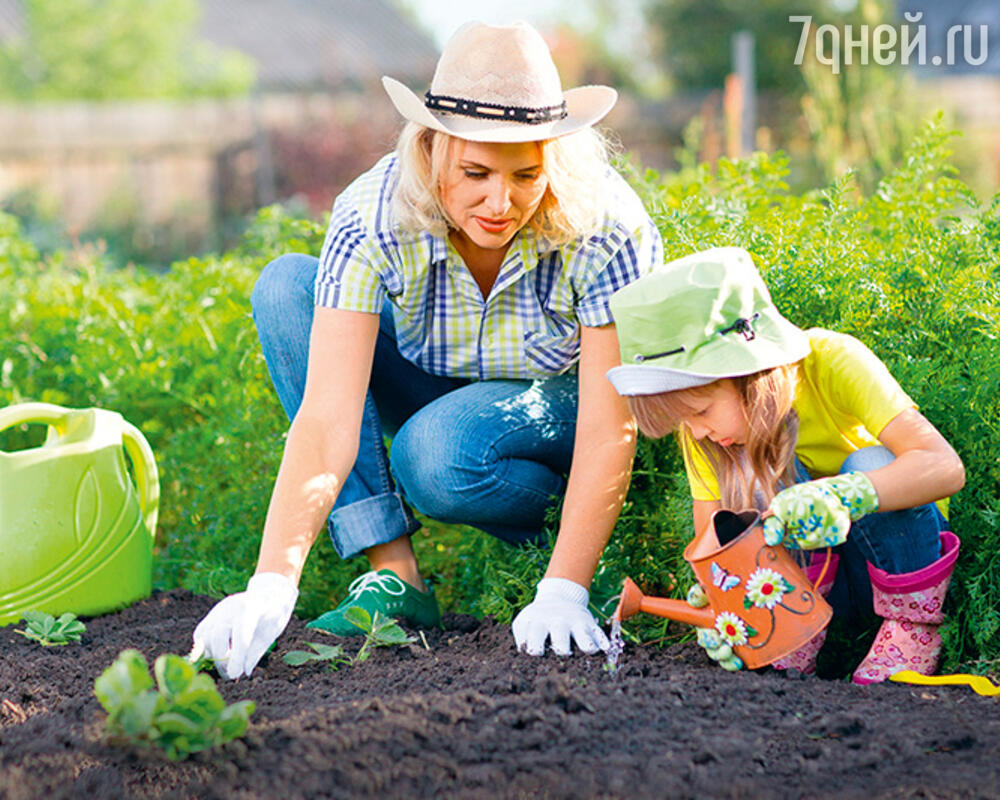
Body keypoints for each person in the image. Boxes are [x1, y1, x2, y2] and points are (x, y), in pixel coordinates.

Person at [190, 21, 662, 678]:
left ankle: (582, 549)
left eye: (526, 174)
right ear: (432, 147)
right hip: (433, 381)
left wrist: (565, 589)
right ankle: (397, 579)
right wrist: (272, 581)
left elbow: (613, 420)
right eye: (475, 172)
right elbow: (326, 420)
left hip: (559, 407)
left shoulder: (603, 223)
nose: (500, 203)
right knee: (286, 288)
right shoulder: (373, 216)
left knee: (435, 454)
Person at [605, 246, 964, 683]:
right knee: (749, 467)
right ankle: (792, 636)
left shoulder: (831, 361)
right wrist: (727, 606)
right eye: (685, 420)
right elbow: (711, 541)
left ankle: (913, 629)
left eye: (699, 412)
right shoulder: (710, 436)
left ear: (744, 371)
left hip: (893, 565)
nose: (696, 432)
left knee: (868, 460)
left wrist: (842, 493)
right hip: (803, 591)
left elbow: (944, 466)